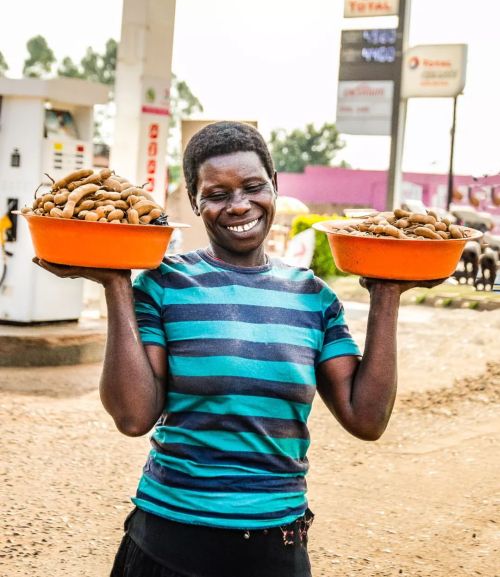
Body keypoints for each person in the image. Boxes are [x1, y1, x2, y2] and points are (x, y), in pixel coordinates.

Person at [35, 121, 442, 577]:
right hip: (169, 541)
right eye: (217, 194)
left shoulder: (313, 298)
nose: (239, 205)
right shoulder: (164, 285)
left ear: (274, 187)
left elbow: (367, 420)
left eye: (252, 186)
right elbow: (133, 417)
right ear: (195, 202)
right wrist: (116, 284)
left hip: (275, 547)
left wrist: (386, 294)